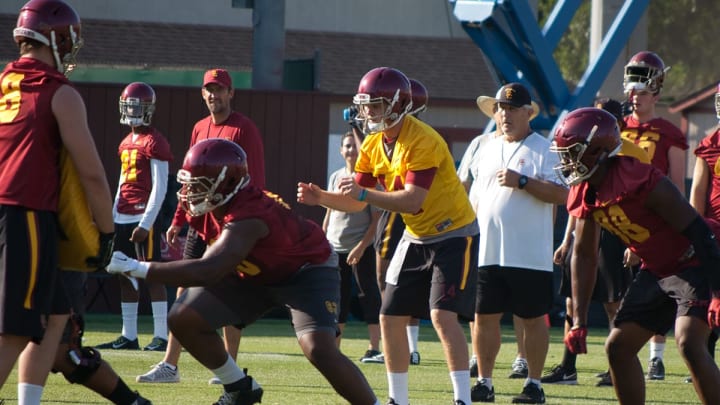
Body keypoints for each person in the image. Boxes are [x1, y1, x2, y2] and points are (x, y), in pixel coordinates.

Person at [108, 138, 381, 405]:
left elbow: (209, 270)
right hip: (253, 271)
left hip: (305, 271)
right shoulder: (209, 205)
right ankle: (240, 389)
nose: (189, 194)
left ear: (224, 184)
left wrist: (137, 267)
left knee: (319, 349)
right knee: (183, 317)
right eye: (189, 185)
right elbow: (212, 263)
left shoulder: (250, 214)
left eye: (198, 186)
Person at [298, 66, 479, 405]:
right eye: (365, 105)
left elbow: (412, 201)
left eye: (375, 105)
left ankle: (462, 399)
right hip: (417, 234)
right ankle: (398, 400)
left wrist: (365, 195)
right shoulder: (373, 144)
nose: (367, 112)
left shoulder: (422, 139)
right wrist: (321, 197)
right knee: (389, 315)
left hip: (454, 232)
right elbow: (354, 201)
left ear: (398, 105)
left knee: (441, 315)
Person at [553, 107, 720, 405]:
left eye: (572, 153)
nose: (566, 162)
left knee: (690, 342)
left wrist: (718, 292)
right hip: (657, 269)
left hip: (695, 259)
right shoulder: (585, 189)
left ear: (598, 150)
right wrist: (578, 319)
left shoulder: (640, 179)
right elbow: (584, 254)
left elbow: (700, 232)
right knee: (617, 347)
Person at [0, 0, 115, 403]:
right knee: (15, 328)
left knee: (54, 315)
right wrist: (106, 232)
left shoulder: (4, 83)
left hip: (12, 208)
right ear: (59, 38)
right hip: (25, 213)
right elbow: (92, 175)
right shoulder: (58, 92)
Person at [137, 68, 266, 385]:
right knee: (183, 285)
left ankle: (230, 369)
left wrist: (245, 224)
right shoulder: (199, 128)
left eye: (220, 89)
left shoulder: (243, 128)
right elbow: (190, 178)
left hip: (230, 224)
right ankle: (170, 365)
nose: (214, 95)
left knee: (231, 290)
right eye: (209, 89)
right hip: (199, 221)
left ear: (231, 93)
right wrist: (179, 220)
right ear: (202, 93)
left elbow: (256, 180)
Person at [459, 82, 568, 404]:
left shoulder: (545, 148)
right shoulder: (484, 146)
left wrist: (523, 181)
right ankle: (485, 382)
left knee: (533, 319)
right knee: (484, 318)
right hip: (488, 250)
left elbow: (565, 195)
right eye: (500, 108)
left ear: (527, 113)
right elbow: (471, 193)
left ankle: (534, 384)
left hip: (530, 253)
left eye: (510, 108)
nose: (504, 115)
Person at [541, 98, 650, 387]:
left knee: (615, 301)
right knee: (572, 300)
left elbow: (649, 212)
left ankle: (625, 362)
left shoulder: (633, 160)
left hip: (622, 236)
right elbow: (580, 216)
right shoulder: (581, 166)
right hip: (589, 235)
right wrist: (567, 240)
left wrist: (635, 246)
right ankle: (568, 366)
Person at [621, 51, 688, 381]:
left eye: (643, 92)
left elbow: (676, 189)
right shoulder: (615, 127)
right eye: (633, 92)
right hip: (614, 219)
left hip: (651, 224)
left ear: (656, 92)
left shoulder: (668, 132)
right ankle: (620, 354)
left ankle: (656, 357)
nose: (636, 98)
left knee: (657, 288)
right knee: (613, 294)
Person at [96, 82, 173, 353]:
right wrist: (113, 213)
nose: (131, 110)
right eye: (128, 105)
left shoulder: (155, 141)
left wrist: (146, 223)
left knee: (152, 275)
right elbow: (121, 184)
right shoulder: (126, 142)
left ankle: (161, 335)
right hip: (123, 215)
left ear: (148, 109)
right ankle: (129, 335)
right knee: (123, 273)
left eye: (136, 106)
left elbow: (160, 187)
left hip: (143, 216)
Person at [369, 77, 430, 366]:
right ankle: (407, 347)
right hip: (399, 207)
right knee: (388, 278)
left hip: (406, 210)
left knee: (393, 279)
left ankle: (406, 347)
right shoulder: (385, 136)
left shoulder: (417, 137)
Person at [323, 131, 383, 361]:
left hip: (360, 248)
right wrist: (322, 238)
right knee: (338, 298)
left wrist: (361, 246)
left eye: (354, 146)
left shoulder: (367, 180)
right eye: (346, 146)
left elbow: (376, 219)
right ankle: (334, 348)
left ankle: (374, 348)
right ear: (341, 150)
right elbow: (329, 210)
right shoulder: (336, 176)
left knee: (368, 295)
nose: (351, 150)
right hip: (334, 247)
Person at [685, 83, 720, 384]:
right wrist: (696, 233)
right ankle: (704, 364)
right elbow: (697, 192)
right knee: (708, 303)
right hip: (715, 235)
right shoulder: (709, 144)